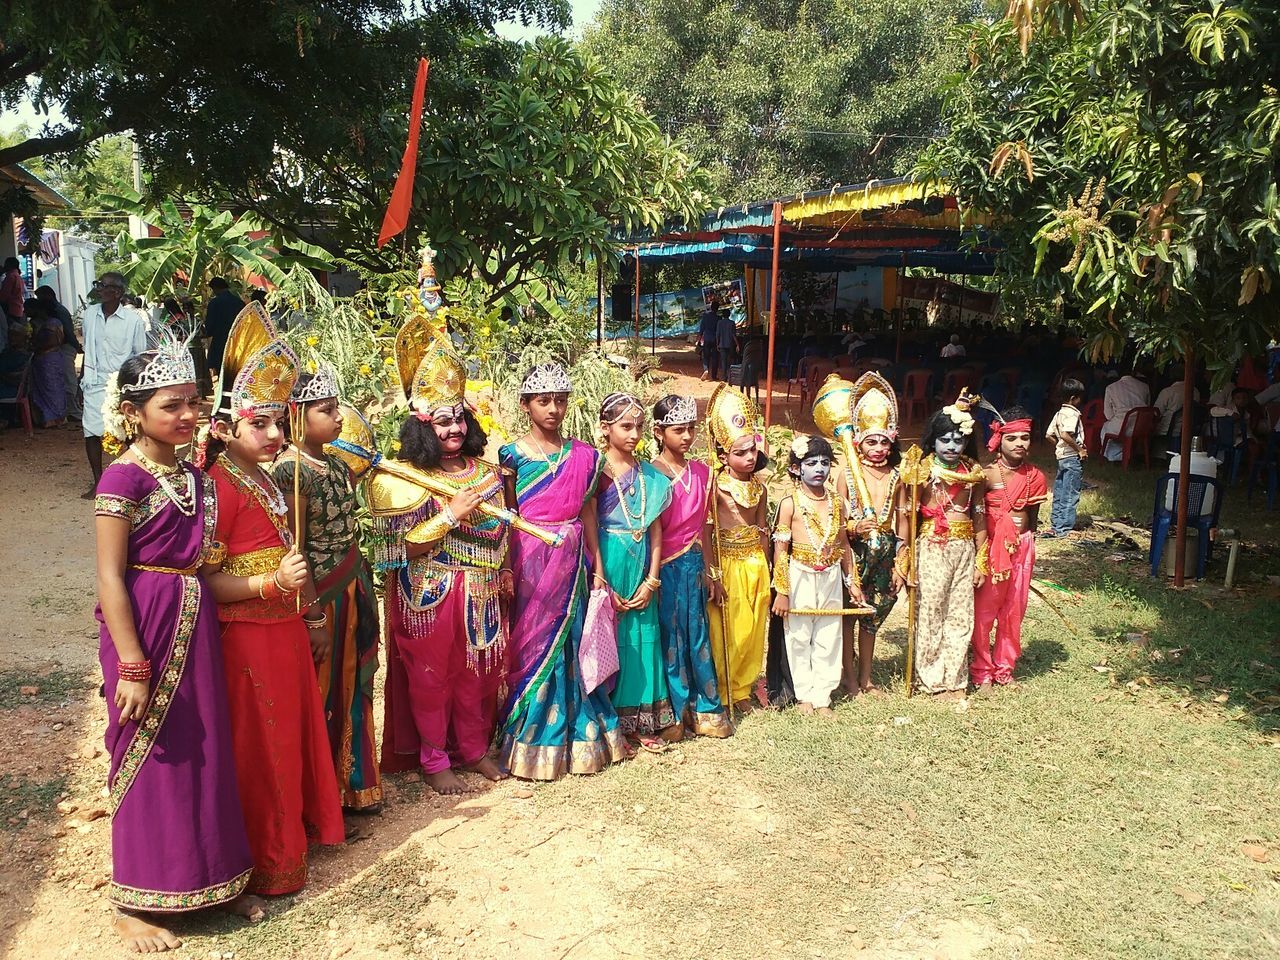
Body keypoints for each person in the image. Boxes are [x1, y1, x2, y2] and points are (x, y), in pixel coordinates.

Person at [93, 337, 261, 952]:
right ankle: (134, 901)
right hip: (147, 625)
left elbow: (207, 561)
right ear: (134, 412)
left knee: (204, 746)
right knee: (147, 753)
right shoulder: (121, 478)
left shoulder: (194, 475)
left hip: (196, 625)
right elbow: (111, 576)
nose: (188, 416)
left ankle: (210, 882)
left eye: (193, 403)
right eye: (172, 406)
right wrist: (132, 664)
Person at [199, 301, 344, 894]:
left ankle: (294, 841)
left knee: (289, 741)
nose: (275, 434)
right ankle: (266, 863)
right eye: (259, 423)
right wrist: (270, 585)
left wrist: (308, 612)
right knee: (262, 749)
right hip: (247, 642)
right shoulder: (216, 489)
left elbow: (293, 556)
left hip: (283, 632)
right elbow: (206, 582)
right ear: (224, 427)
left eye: (279, 421)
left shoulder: (265, 476)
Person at [370, 314, 513, 795]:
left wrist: (506, 568)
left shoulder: (486, 470)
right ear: (422, 425)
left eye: (460, 417)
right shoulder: (401, 476)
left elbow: (502, 530)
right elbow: (399, 546)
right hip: (429, 589)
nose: (454, 428)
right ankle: (434, 759)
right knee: (432, 678)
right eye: (443, 419)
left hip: (483, 589)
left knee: (478, 673)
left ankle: (473, 750)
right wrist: (449, 515)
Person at [497, 363, 628, 779]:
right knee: (532, 644)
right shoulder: (511, 455)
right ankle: (529, 732)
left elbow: (588, 511)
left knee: (572, 639)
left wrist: (599, 566)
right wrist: (503, 566)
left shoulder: (586, 456)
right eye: (543, 401)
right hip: (528, 555)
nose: (554, 409)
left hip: (572, 558)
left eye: (560, 400)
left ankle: (580, 731)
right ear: (525, 405)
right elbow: (505, 514)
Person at [273, 369, 383, 811]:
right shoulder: (291, 472)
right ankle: (321, 795)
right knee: (324, 687)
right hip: (323, 595)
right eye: (326, 410)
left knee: (354, 683)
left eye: (337, 409)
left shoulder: (336, 464)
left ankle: (356, 782)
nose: (338, 418)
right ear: (296, 415)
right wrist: (313, 615)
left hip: (352, 583)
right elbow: (295, 547)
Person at [595, 392, 676, 751]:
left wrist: (653, 579)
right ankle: (610, 721)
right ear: (605, 428)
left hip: (643, 564)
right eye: (626, 426)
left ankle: (643, 720)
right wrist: (599, 579)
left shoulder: (649, 477)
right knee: (610, 638)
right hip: (609, 563)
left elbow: (656, 528)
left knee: (644, 639)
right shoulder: (595, 474)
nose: (634, 434)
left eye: (639, 427)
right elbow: (587, 526)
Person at [651, 394, 731, 738]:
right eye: (678, 430)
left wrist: (713, 572)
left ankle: (707, 707)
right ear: (659, 432)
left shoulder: (703, 473)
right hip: (664, 566)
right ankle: (674, 709)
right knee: (670, 637)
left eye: (691, 430)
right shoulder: (650, 474)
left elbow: (705, 527)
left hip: (694, 564)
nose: (686, 437)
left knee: (698, 635)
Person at [904, 392, 988, 699]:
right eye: (945, 440)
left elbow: (979, 517)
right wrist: (907, 558)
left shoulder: (973, 473)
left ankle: (955, 679)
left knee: (960, 613)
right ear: (933, 441)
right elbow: (909, 517)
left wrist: (981, 559)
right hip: (933, 545)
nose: (952, 447)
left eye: (958, 440)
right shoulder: (922, 471)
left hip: (964, 547)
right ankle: (930, 679)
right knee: (931, 612)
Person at [771, 436, 862, 717]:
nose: (819, 469)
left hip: (832, 575)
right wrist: (782, 591)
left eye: (824, 463)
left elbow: (844, 545)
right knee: (798, 636)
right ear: (797, 468)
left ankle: (823, 696)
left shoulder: (839, 503)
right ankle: (803, 696)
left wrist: (852, 582)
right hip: (799, 574)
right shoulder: (790, 504)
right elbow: (781, 551)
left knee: (829, 634)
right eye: (811, 463)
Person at [834, 373, 906, 697]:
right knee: (850, 615)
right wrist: (853, 528)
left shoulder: (898, 476)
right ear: (858, 440)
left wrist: (902, 561)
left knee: (872, 617)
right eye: (871, 441)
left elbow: (903, 519)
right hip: (854, 554)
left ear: (892, 441)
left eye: (884, 442)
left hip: (885, 553)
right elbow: (836, 522)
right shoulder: (847, 473)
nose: (878, 448)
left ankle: (867, 678)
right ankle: (849, 679)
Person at [971, 407, 1047, 691]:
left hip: (1022, 548)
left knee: (1014, 610)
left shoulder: (1035, 476)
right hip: (991, 550)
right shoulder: (986, 475)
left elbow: (1033, 516)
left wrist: (1028, 546)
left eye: (1025, 438)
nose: (1019, 444)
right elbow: (975, 515)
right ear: (998, 440)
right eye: (1012, 438)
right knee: (985, 612)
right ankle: (981, 670)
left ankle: (1005, 668)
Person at [705, 386, 770, 714]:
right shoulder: (715, 486)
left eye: (752, 451)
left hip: (755, 563)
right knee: (729, 628)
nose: (749, 458)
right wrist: (711, 569)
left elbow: (763, 530)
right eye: (740, 452)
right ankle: (724, 686)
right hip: (727, 564)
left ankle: (743, 686)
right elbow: (706, 530)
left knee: (754, 626)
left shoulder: (761, 487)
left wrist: (769, 567)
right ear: (722, 454)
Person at [81, 272, 149, 495]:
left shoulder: (133, 321)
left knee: (127, 432)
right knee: (91, 432)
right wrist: (81, 380)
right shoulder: (90, 315)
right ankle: (98, 481)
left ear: (117, 292)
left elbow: (140, 355)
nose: (98, 289)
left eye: (103, 285)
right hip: (93, 381)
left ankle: (128, 480)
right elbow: (88, 352)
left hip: (120, 384)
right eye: (98, 284)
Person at [1044, 379, 1087, 538]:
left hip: (1061, 457)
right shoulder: (1072, 413)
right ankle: (1064, 529)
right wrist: (1079, 449)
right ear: (1074, 398)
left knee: (1060, 490)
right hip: (1071, 457)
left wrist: (1059, 445)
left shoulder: (1058, 413)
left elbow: (1049, 435)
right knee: (1070, 493)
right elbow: (1065, 434)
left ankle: (1056, 524)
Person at [35, 285, 82, 420]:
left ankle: (73, 410)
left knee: (68, 379)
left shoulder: (58, 313)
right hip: (61, 348)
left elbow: (67, 332)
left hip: (65, 347)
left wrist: (75, 345)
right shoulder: (55, 311)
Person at [26, 299, 66, 426]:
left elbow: (51, 341)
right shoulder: (54, 322)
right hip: (52, 358)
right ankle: (55, 417)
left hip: (48, 359)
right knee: (54, 388)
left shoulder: (51, 324)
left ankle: (54, 418)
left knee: (52, 389)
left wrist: (36, 347)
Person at [1101, 367, 1151, 461]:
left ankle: (1115, 457)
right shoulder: (1144, 386)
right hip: (1142, 427)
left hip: (1121, 426)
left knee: (1105, 428)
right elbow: (1147, 407)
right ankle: (1128, 454)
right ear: (1134, 372)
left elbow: (1108, 415)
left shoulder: (1111, 387)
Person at [204, 277, 245, 391]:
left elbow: (210, 327)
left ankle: (223, 396)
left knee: (221, 371)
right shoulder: (239, 302)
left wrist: (207, 333)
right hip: (238, 342)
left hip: (220, 341)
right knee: (236, 372)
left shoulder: (215, 303)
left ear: (215, 288)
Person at [1153, 373, 1199, 453]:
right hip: (1190, 426)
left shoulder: (1168, 391)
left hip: (1170, 428)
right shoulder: (1195, 391)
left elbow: (1156, 412)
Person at [1, 256, 27, 335]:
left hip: (11, 309)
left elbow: (4, 295)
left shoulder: (11, 276)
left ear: (10, 265)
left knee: (10, 333)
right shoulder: (18, 277)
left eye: (6, 264)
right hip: (18, 309)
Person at [697, 297, 719, 380]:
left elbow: (701, 329)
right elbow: (719, 331)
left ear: (711, 307)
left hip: (707, 338)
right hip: (715, 340)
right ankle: (714, 376)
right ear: (717, 309)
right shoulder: (718, 318)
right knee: (715, 357)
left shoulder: (705, 316)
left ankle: (706, 369)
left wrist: (698, 340)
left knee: (705, 356)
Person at [715, 302, 737, 382]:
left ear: (723, 315)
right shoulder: (732, 323)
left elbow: (717, 334)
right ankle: (730, 376)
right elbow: (734, 335)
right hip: (730, 344)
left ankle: (724, 377)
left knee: (723, 361)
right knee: (730, 361)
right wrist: (737, 344)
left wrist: (717, 344)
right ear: (729, 315)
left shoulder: (719, 323)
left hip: (722, 345)